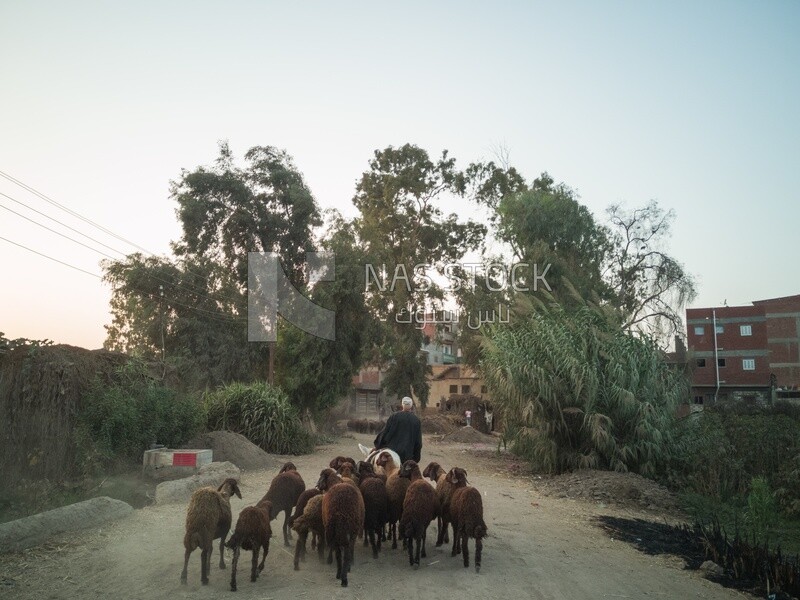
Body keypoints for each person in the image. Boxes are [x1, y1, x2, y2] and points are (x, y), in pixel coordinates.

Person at [372, 396, 422, 463]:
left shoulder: (394, 417)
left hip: (390, 454)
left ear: (402, 405)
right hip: (406, 457)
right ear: (411, 406)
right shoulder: (416, 421)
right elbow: (418, 443)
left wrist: (378, 445)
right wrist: (416, 458)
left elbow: (384, 433)